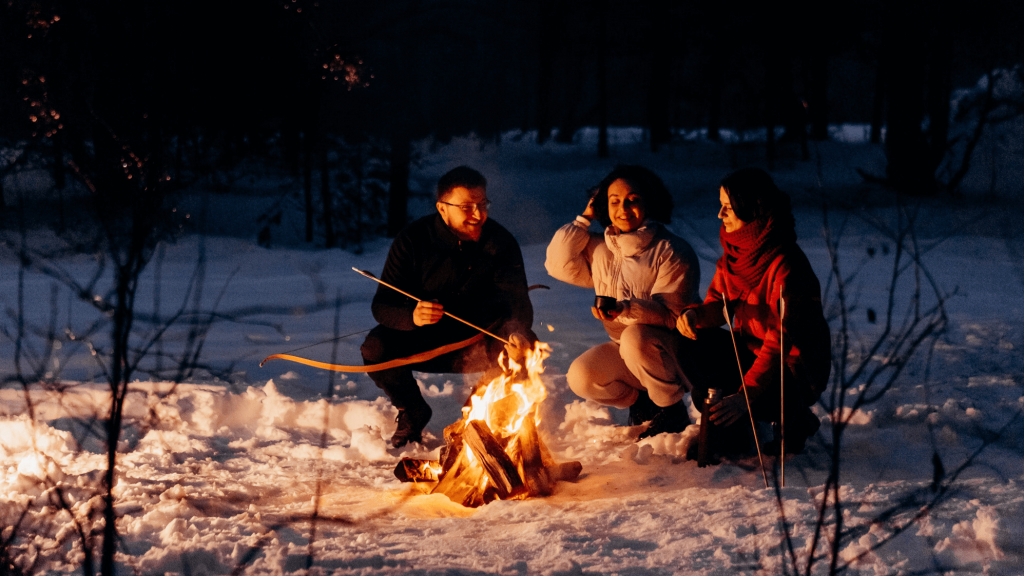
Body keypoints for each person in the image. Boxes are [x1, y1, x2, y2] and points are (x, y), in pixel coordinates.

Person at [361, 166, 536, 448]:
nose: (479, 215)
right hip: (424, 341)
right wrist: (412, 317)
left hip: (479, 341)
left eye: (482, 204)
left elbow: (519, 306)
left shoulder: (499, 242)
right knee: (375, 347)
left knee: (523, 344)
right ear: (443, 208)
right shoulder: (412, 240)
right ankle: (413, 410)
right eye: (467, 207)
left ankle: (478, 414)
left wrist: (514, 333)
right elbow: (382, 306)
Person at [676, 167, 831, 457]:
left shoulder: (787, 266)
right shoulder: (734, 255)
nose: (719, 215)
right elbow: (718, 307)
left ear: (751, 208)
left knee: (725, 395)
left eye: (727, 207)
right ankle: (729, 427)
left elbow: (779, 343)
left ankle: (791, 416)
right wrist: (696, 316)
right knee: (686, 343)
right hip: (750, 352)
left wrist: (744, 397)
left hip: (790, 372)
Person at [545, 165, 701, 438]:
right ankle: (641, 401)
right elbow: (558, 264)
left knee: (634, 338)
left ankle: (671, 409)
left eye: (633, 200)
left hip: (676, 352)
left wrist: (626, 309)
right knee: (581, 375)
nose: (623, 209)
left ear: (648, 201)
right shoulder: (601, 248)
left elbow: (675, 317)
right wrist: (584, 218)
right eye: (614, 201)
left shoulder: (671, 250)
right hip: (628, 349)